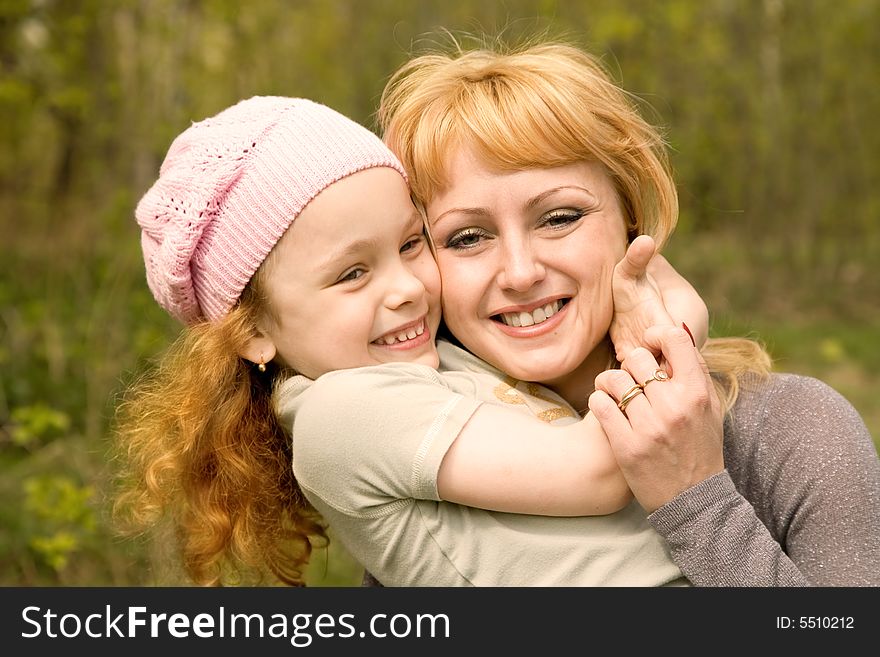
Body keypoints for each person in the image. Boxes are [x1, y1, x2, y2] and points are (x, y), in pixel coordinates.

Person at [113, 95, 708, 586]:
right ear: (254, 333)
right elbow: (600, 474)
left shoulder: (427, 360)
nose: (406, 289)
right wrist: (672, 328)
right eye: (352, 274)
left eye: (409, 244)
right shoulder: (341, 413)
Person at [376, 37, 880, 586]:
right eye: (468, 237)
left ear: (631, 219)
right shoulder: (427, 455)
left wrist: (697, 501)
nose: (520, 273)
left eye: (559, 217)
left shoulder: (789, 430)